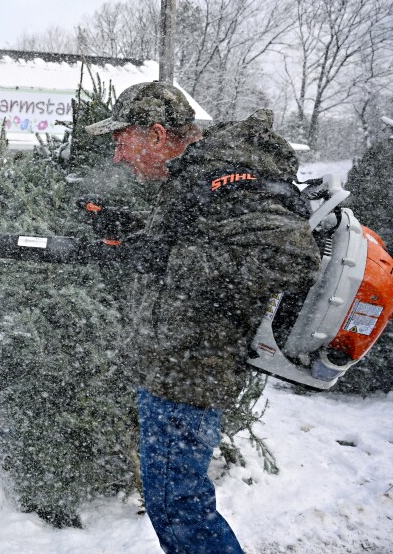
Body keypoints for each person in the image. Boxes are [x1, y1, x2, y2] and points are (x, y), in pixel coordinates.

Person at [84, 82, 320, 554]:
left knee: (178, 507)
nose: (117, 157)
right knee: (175, 505)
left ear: (154, 135)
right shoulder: (197, 176)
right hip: (176, 368)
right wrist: (129, 230)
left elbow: (291, 256)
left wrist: (166, 257)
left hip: (191, 374)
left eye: (120, 140)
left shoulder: (223, 173)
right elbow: (207, 243)